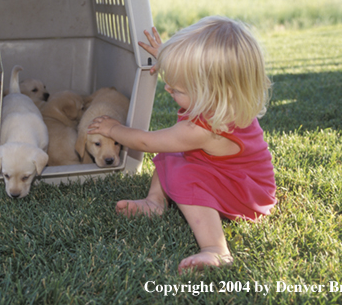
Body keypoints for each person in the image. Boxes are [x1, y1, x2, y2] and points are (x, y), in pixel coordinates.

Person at [88, 16, 276, 273]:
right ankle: (155, 202)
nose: (167, 88)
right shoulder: (224, 100)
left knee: (184, 172)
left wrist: (114, 129)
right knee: (172, 156)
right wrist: (168, 60)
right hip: (234, 177)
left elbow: (146, 141)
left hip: (246, 196)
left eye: (177, 88)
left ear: (210, 92)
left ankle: (216, 249)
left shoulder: (199, 129)